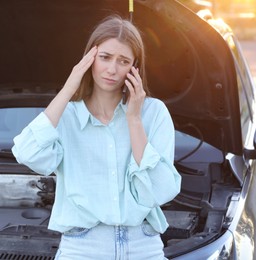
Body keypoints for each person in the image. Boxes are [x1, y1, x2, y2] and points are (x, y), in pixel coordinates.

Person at [12, 15, 181, 259]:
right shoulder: (66, 117)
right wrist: (70, 87)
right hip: (82, 247)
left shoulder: (153, 113)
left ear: (134, 68)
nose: (112, 69)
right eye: (105, 57)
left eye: (123, 61)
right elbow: (26, 152)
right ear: (89, 58)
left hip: (143, 245)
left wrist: (134, 120)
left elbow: (160, 190)